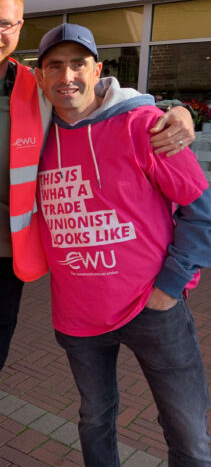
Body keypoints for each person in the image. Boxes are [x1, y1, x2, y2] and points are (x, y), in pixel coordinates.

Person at [0, 0, 196, 467]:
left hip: (3, 264)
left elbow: (100, 97)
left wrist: (175, 110)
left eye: (5, 24)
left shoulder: (38, 90)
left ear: (18, 29)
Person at [34, 23, 211, 466]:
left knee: (186, 432)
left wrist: (169, 288)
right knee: (95, 421)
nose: (67, 76)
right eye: (55, 66)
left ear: (97, 69)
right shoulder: (33, 137)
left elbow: (201, 210)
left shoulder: (146, 125)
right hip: (78, 317)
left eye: (78, 63)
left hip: (153, 309)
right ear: (40, 77)